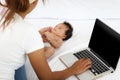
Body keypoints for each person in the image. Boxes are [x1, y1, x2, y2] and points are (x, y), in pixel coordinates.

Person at [0, 0, 92, 80]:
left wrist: (34, 38)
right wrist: (72, 70)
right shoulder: (29, 33)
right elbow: (47, 78)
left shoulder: (3, 13)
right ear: (34, 3)